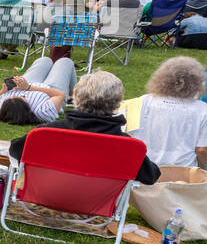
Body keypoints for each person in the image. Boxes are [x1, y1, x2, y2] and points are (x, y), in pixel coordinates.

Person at [9, 70, 160, 183]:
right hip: (97, 205)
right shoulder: (127, 145)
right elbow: (151, 176)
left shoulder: (47, 133)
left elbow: (15, 149)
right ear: (118, 103)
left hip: (47, 195)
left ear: (76, 97)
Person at [131, 56, 207, 167]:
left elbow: (127, 138)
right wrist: (204, 170)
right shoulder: (203, 109)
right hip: (182, 173)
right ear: (197, 82)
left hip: (142, 169)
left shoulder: (142, 100)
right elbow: (202, 150)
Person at [0, 54, 76, 126]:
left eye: (11, 97)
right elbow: (60, 95)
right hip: (51, 90)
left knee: (44, 60)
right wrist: (28, 88)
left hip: (26, 84)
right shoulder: (42, 111)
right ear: (26, 107)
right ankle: (73, 96)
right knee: (65, 62)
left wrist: (2, 92)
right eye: (21, 97)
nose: (15, 95)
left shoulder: (0, 108)